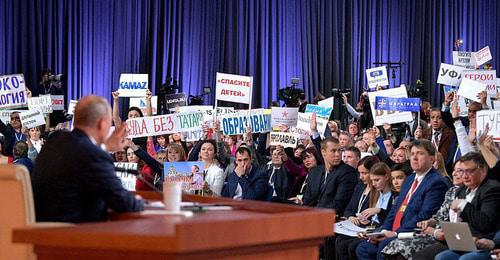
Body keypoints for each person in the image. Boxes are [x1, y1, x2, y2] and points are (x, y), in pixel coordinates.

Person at [32, 95, 144, 223]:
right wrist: (142, 203)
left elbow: (80, 156)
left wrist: (105, 147)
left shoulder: (55, 139)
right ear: (102, 124)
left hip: (40, 232)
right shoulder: (94, 155)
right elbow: (123, 202)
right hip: (76, 234)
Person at [356, 139, 450, 260]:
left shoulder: (436, 182)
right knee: (363, 248)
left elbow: (424, 216)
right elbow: (395, 210)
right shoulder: (410, 179)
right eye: (412, 154)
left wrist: (395, 233)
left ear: (432, 159)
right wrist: (384, 231)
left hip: (413, 232)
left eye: (420, 153)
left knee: (385, 246)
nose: (414, 158)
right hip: (395, 230)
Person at [413, 152, 500, 259]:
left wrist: (463, 205)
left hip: (484, 242)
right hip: (461, 243)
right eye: (462, 171)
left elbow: (485, 224)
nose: (465, 176)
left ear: (483, 170)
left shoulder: (491, 189)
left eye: (469, 171)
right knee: (440, 257)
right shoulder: (461, 191)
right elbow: (455, 222)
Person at [302, 137, 358, 214]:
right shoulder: (314, 171)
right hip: (309, 216)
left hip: (332, 218)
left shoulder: (348, 172)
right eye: (333, 151)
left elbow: (339, 203)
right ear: (323, 152)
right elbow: (307, 199)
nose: (338, 154)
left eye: (339, 150)